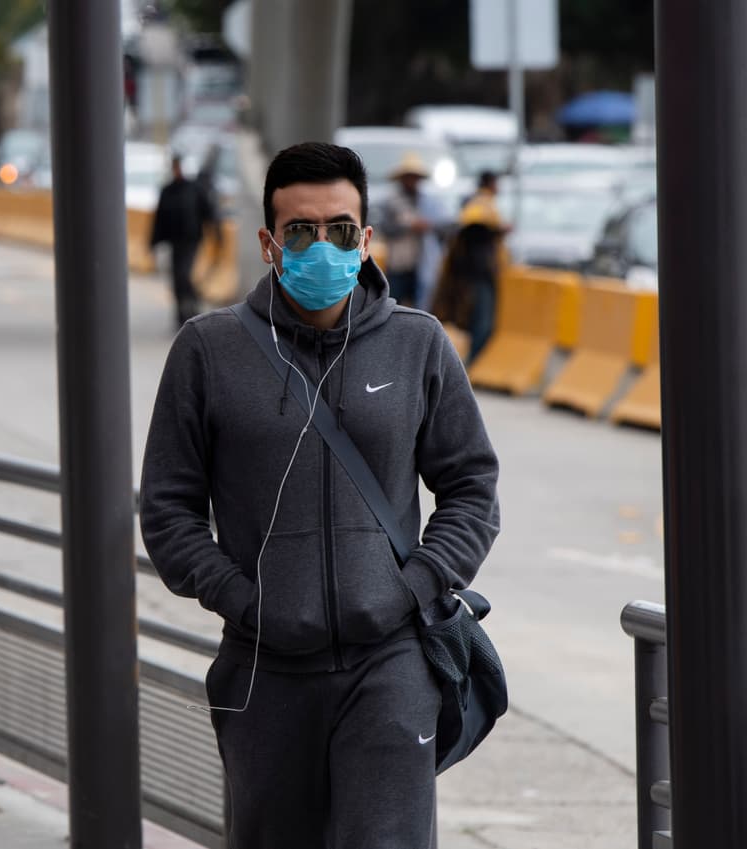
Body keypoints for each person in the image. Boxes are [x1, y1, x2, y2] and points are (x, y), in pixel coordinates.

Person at [139, 142, 500, 848]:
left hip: (392, 663)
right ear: (268, 244)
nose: (322, 246)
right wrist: (243, 601)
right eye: (300, 230)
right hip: (262, 670)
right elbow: (166, 508)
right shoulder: (208, 350)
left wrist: (413, 587)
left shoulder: (418, 344)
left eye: (340, 229)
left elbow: (472, 487)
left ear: (366, 241)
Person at [431, 194, 511, 363]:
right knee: (481, 326)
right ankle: (472, 363)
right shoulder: (474, 233)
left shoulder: (465, 234)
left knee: (476, 325)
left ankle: (471, 362)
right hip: (474, 284)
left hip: (471, 283)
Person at [150, 155, 218, 326]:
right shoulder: (168, 191)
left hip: (191, 240)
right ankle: (181, 313)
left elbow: (207, 211)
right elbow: (159, 218)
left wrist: (216, 232)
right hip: (175, 241)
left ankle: (193, 305)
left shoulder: (193, 189)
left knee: (184, 274)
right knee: (176, 279)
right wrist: (153, 242)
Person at [379, 151, 445, 308]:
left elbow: (442, 226)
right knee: (394, 304)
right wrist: (409, 227)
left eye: (415, 177)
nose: (412, 181)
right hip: (398, 263)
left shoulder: (427, 202)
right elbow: (385, 228)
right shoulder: (391, 202)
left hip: (422, 264)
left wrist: (427, 227)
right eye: (409, 177)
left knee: (420, 306)